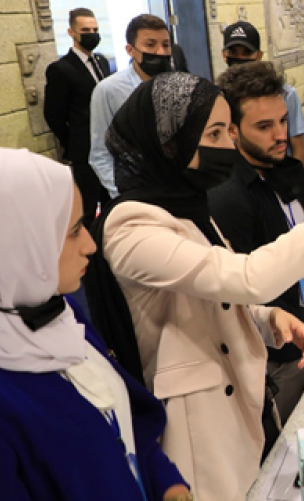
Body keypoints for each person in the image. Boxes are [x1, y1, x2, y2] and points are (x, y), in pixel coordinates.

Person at [84, 72, 304, 500]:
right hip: (195, 420)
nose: (228, 145)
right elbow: (248, 277)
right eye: (214, 132)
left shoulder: (186, 202)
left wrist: (267, 316)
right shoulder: (133, 223)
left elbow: (213, 290)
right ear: (168, 142)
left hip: (235, 395)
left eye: (228, 131)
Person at [0, 147, 190, 501]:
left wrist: (165, 481)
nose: (89, 244)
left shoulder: (61, 312)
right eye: (72, 231)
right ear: (17, 244)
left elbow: (117, 419)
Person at [208, 62, 304, 457]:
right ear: (232, 130)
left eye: (282, 120)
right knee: (288, 449)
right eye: (264, 127)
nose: (281, 135)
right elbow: (244, 290)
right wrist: (299, 321)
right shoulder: (229, 196)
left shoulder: (289, 169)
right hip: (278, 348)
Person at [89, 14, 173, 199]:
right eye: (150, 45)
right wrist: (123, 193)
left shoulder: (179, 84)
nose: (160, 52)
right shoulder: (108, 90)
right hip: (135, 193)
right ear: (131, 50)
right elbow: (100, 153)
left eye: (165, 45)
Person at [44, 8, 111, 228]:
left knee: (112, 204)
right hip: (84, 151)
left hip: (108, 147)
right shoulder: (61, 69)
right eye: (85, 30)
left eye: (95, 29)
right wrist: (74, 142)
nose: (92, 34)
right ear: (71, 32)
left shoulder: (102, 62)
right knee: (89, 209)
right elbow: (54, 114)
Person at [221, 21, 304, 167]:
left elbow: (298, 146)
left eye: (247, 52)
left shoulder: (284, 94)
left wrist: (296, 183)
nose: (240, 58)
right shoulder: (218, 97)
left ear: (259, 55)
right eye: (234, 52)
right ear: (224, 55)